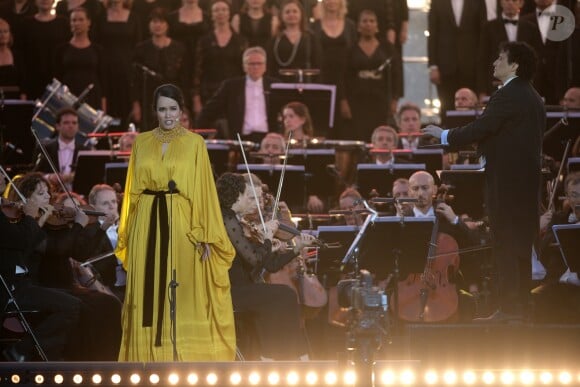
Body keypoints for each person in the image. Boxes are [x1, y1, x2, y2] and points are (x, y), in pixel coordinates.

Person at [422, 41, 544, 322]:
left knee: (505, 245)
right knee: (521, 248)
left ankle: (509, 310)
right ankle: (521, 308)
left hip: (507, 185)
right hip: (525, 186)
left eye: (500, 58)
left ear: (514, 65)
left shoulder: (509, 94)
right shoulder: (533, 96)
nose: (494, 63)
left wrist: (443, 135)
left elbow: (481, 128)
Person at [116, 83, 236, 361]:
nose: (168, 115)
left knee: (180, 289)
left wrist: (204, 233)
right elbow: (132, 187)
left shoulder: (195, 143)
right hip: (145, 221)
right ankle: (146, 359)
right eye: (162, 109)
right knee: (147, 292)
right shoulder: (141, 142)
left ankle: (181, 358)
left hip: (181, 223)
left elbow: (203, 190)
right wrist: (130, 229)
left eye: (173, 109)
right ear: (154, 111)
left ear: (182, 111)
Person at [215, 172, 313, 360]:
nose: (255, 203)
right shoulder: (228, 219)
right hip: (231, 290)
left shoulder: (235, 220)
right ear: (237, 195)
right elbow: (254, 259)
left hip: (244, 287)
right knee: (285, 295)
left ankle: (285, 355)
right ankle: (281, 356)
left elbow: (270, 264)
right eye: (248, 197)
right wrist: (267, 239)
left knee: (284, 296)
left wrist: (296, 248)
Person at [0, 178, 82, 362]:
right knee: (72, 305)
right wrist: (32, 217)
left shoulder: (17, 219)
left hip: (23, 285)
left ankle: (48, 356)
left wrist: (41, 217)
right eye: (40, 193)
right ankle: (25, 351)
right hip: (11, 288)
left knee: (76, 303)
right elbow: (23, 244)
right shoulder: (15, 221)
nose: (2, 176)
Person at [195, 46, 278, 141]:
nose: (255, 67)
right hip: (239, 140)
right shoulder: (231, 86)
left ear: (265, 66)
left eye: (259, 63)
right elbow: (208, 111)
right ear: (244, 66)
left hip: (269, 140)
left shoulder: (275, 86)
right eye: (251, 64)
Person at [343, 9, 401, 141]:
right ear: (358, 26)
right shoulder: (351, 49)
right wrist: (344, 101)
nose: (368, 24)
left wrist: (395, 99)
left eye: (371, 21)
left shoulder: (387, 48)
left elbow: (396, 75)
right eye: (364, 21)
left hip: (380, 99)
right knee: (359, 134)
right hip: (357, 100)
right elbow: (344, 76)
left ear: (377, 26)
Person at [427, 0, 486, 118]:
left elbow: (483, 35)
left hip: (471, 66)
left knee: (471, 109)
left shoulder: (478, 2)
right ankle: (445, 136)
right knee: (446, 108)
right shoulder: (437, 2)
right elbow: (432, 34)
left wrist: (481, 69)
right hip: (445, 66)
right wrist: (433, 66)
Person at [192, 0, 247, 117]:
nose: (220, 13)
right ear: (211, 15)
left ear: (229, 13)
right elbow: (197, 70)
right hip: (209, 93)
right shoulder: (204, 41)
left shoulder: (241, 41)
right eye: (216, 10)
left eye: (224, 9)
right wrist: (196, 98)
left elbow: (245, 71)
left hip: (234, 93)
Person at [54, 6, 106, 111]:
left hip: (92, 97)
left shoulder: (98, 50)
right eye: (73, 20)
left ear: (89, 22)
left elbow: (103, 79)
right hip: (68, 97)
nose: (77, 23)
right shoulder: (61, 49)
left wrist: (103, 107)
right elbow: (57, 78)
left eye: (81, 20)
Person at [32, 107, 91, 191]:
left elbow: (90, 176)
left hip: (78, 198)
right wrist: (49, 177)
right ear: (57, 126)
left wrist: (73, 176)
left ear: (78, 127)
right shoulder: (44, 148)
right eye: (66, 123)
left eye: (74, 123)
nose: (71, 126)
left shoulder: (86, 151)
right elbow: (32, 175)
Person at [477, 0, 524, 98]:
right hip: (495, 84)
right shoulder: (488, 27)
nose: (510, 3)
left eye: (514, 0)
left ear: (521, 3)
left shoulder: (530, 27)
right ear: (501, 2)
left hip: (524, 84)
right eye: (507, 0)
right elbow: (483, 59)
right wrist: (482, 90)